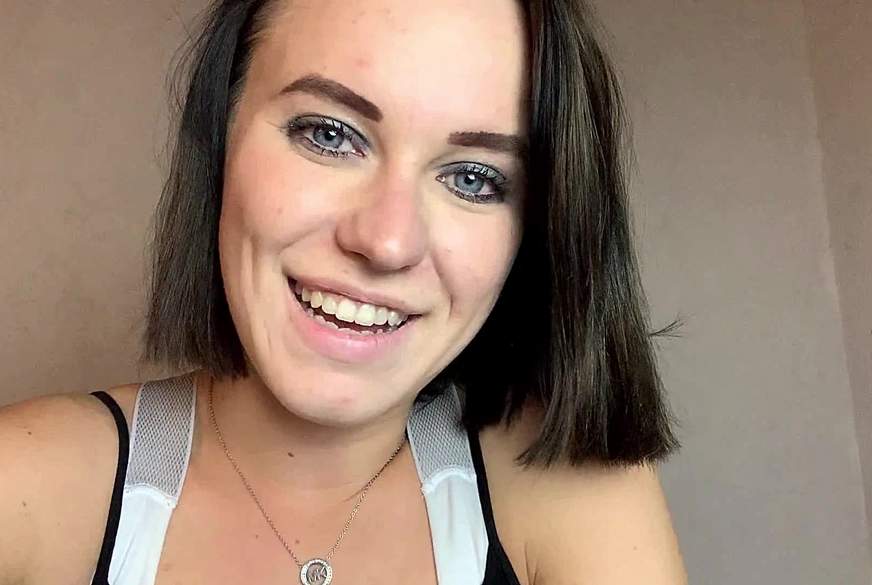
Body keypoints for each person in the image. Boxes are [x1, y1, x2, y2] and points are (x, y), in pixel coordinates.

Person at [0, 0, 687, 583]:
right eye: (329, 135)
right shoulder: (24, 488)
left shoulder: (578, 499)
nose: (386, 242)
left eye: (474, 178)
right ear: (220, 135)